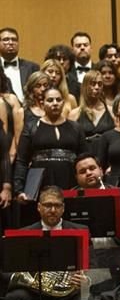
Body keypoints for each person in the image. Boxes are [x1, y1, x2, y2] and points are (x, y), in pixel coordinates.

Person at [13, 87, 87, 222]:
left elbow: (84, 158)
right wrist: (18, 189)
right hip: (39, 182)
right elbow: (22, 160)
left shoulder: (76, 127)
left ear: (63, 103)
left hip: (69, 179)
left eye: (58, 100)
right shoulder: (31, 126)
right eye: (50, 100)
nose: (55, 103)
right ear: (42, 104)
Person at [72, 152, 120, 235]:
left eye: (92, 168)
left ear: (101, 171)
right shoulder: (70, 197)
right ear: (76, 177)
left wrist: (113, 215)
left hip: (114, 243)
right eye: (82, 171)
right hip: (83, 244)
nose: (88, 173)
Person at [68, 69, 113, 156]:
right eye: (93, 84)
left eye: (100, 84)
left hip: (107, 156)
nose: (97, 87)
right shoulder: (74, 114)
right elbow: (70, 142)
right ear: (85, 86)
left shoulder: (111, 111)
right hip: (84, 157)